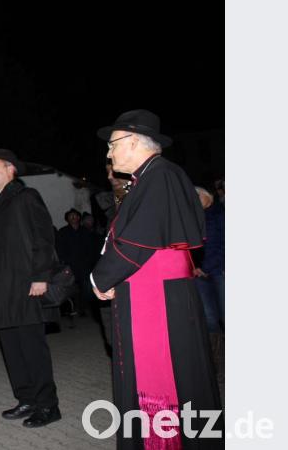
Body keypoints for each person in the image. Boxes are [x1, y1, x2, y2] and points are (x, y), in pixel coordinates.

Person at [91, 109, 222, 449]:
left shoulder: (159, 176)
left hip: (157, 300)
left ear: (133, 142)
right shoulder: (155, 177)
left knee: (162, 380)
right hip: (161, 293)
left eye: (113, 145)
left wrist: (99, 278)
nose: (109, 153)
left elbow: (136, 242)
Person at [0, 149, 61, 428]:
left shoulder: (27, 197)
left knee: (32, 346)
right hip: (2, 290)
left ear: (11, 169)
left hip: (27, 285)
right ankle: (26, 398)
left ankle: (48, 405)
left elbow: (44, 237)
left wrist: (41, 276)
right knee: (12, 348)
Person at [192, 186, 225, 377]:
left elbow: (224, 245)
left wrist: (206, 266)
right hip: (200, 275)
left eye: (197, 197)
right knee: (210, 319)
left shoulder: (221, 214)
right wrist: (195, 267)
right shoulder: (195, 218)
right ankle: (217, 366)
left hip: (218, 271)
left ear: (207, 196)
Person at [55, 208, 95, 317]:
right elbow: (59, 248)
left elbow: (91, 248)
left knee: (85, 287)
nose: (74, 218)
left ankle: (84, 308)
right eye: (71, 216)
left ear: (79, 218)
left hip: (84, 264)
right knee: (71, 287)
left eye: (76, 216)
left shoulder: (85, 231)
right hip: (69, 265)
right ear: (67, 219)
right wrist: (64, 262)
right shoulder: (63, 232)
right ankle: (74, 308)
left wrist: (89, 261)